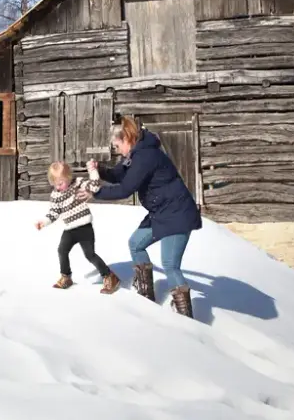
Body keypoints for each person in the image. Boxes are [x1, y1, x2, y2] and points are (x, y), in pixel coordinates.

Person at [81, 116, 202, 317]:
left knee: (170, 265)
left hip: (176, 214)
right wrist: (100, 170)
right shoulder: (135, 155)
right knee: (136, 243)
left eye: (117, 145)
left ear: (127, 138)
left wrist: (96, 193)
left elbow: (125, 189)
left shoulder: (146, 156)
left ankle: (185, 316)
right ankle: (145, 297)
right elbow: (119, 175)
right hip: (161, 212)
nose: (116, 149)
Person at [36, 160, 122, 294]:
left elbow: (94, 186)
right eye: (55, 184)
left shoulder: (77, 183)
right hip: (70, 229)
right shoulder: (55, 195)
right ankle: (66, 277)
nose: (58, 187)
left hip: (84, 227)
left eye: (61, 183)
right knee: (62, 250)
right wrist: (44, 222)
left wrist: (92, 170)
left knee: (90, 255)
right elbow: (53, 213)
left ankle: (109, 276)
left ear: (68, 177)